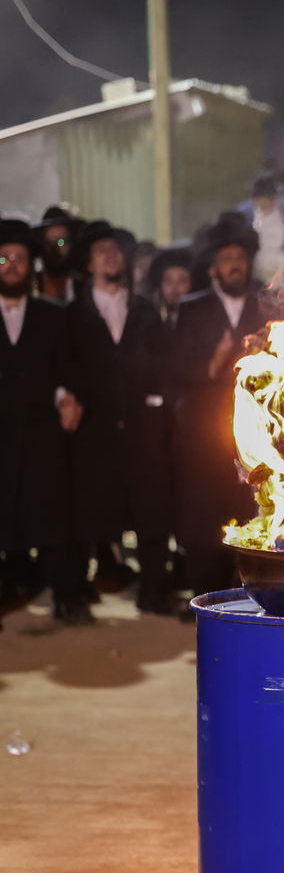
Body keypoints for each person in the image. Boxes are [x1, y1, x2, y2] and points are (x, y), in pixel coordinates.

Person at [68, 221, 176, 615]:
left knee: (152, 512)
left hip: (142, 430)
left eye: (115, 251)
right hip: (93, 431)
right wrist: (67, 398)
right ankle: (77, 593)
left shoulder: (144, 309)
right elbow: (65, 366)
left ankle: (152, 592)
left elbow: (164, 365)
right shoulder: (73, 313)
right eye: (101, 252)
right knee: (89, 512)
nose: (110, 257)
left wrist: (157, 405)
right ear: (88, 264)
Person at [169, 214, 270, 597]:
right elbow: (175, 365)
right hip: (203, 431)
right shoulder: (192, 308)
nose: (234, 264)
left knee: (253, 511)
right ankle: (206, 596)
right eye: (227, 257)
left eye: (240, 257)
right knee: (204, 515)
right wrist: (211, 366)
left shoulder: (267, 301)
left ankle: (253, 595)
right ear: (214, 266)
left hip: (256, 430)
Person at [0, 219, 89, 624]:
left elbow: (67, 370)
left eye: (19, 258)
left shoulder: (54, 315)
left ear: (32, 265)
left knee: (53, 518)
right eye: (3, 258)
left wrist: (69, 397)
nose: (11, 265)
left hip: (42, 435)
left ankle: (68, 597)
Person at [35, 206, 81, 306]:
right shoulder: (30, 286)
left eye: (61, 242)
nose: (55, 247)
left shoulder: (83, 287)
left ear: (71, 244)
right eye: (50, 242)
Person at [146, 247, 193, 331]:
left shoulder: (201, 320)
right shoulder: (150, 321)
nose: (175, 288)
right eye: (168, 280)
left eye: (182, 280)